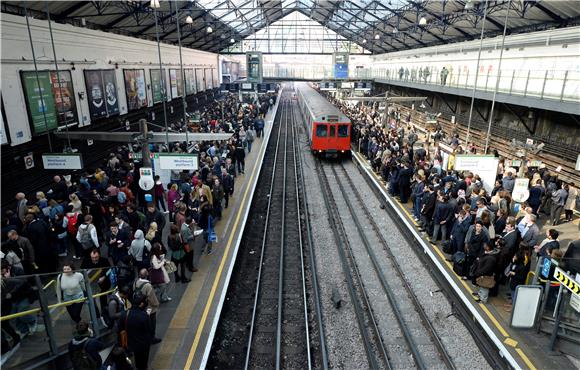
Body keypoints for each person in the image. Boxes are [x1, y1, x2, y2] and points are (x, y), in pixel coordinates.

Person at [118, 292, 152, 370]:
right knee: (144, 361)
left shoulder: (125, 314)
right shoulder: (144, 316)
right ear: (141, 304)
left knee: (137, 358)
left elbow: (120, 328)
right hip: (144, 343)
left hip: (131, 342)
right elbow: (149, 329)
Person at [81, 248, 112, 327]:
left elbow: (109, 270)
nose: (94, 259)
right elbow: (82, 271)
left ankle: (104, 315)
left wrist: (104, 276)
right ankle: (97, 316)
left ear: (99, 255)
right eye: (93, 258)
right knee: (93, 301)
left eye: (96, 257)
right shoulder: (86, 261)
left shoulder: (104, 261)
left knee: (103, 300)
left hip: (103, 285)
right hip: (92, 285)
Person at [132, 269, 161, 345]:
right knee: (151, 323)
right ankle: (152, 338)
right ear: (147, 275)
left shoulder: (135, 282)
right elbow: (152, 298)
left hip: (139, 307)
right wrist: (156, 304)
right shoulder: (148, 285)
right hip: (149, 308)